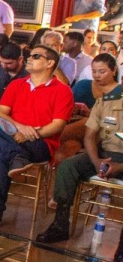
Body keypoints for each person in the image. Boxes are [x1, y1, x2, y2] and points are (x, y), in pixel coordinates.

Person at [0, 45, 73, 229]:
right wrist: (20, 128)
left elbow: (58, 125)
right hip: (13, 134)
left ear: (50, 63)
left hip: (41, 142)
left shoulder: (62, 90)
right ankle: (16, 154)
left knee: (2, 155)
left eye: (35, 56)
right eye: (29, 55)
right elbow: (1, 113)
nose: (29, 58)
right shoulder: (17, 84)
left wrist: (28, 135)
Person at [36, 63, 121, 244]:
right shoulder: (107, 101)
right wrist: (96, 161)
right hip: (104, 154)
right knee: (68, 166)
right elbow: (90, 136)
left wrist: (119, 166)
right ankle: (60, 225)